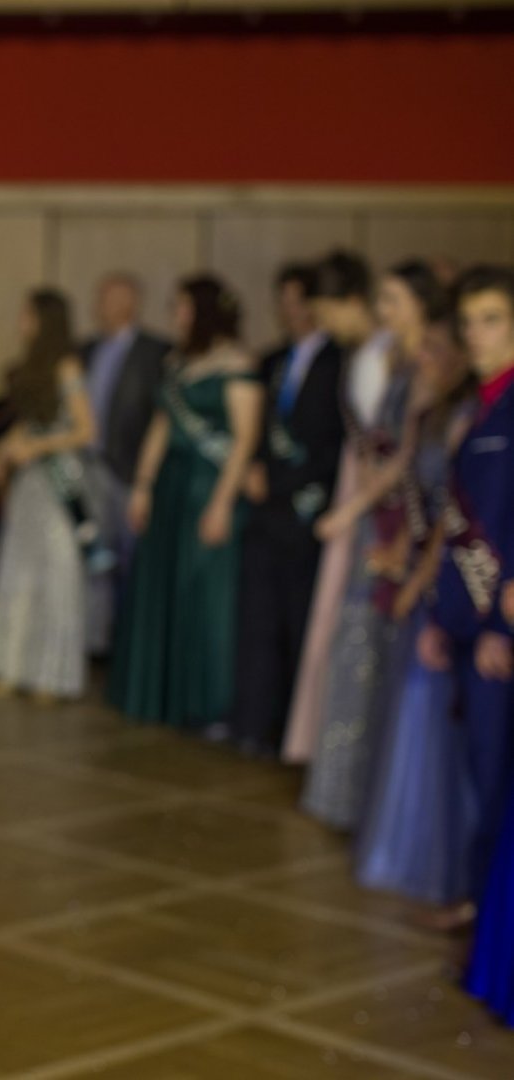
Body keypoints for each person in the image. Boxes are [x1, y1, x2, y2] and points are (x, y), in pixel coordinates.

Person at [355, 319, 480, 914]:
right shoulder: (428, 415)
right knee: (410, 705)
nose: (422, 358)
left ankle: (445, 861)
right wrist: (399, 550)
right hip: (426, 558)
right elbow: (418, 499)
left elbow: (455, 515)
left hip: (451, 575)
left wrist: (420, 578)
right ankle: (406, 847)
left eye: (434, 348)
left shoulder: (467, 417)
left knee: (432, 705)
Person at [299, 256, 427, 831]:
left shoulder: (415, 366)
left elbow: (404, 455)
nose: (383, 312)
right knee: (356, 641)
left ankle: (372, 793)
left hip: (398, 514)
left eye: (392, 301)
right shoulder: (387, 358)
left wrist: (353, 508)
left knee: (374, 640)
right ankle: (349, 789)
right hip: (376, 504)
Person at [109, 275, 262, 730]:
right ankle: (161, 695)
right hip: (171, 488)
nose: (175, 315)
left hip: (208, 488)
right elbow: (161, 427)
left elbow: (244, 441)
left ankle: (206, 705)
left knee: (204, 592)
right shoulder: (177, 361)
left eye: (182, 306)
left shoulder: (237, 363)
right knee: (164, 588)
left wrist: (221, 503)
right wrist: (142, 486)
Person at [283, 250, 398, 765]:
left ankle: (353, 756)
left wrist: (353, 509)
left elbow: (389, 446)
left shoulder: (381, 356)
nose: (322, 324)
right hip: (359, 485)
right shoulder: (362, 354)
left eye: (326, 312)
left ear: (352, 300)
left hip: (376, 497)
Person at [230, 263, 345, 756]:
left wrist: (286, 482)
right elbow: (252, 427)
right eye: (284, 301)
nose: (292, 310)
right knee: (258, 619)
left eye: (300, 301)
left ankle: (294, 731)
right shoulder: (272, 360)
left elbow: (338, 443)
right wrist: (254, 467)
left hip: (308, 508)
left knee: (301, 619)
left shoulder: (340, 361)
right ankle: (255, 723)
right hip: (264, 510)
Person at [0, 289, 96, 701]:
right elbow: (29, 424)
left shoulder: (67, 366)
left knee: (56, 572)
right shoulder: (32, 366)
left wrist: (36, 448)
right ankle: (11, 667)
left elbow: (85, 430)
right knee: (19, 570)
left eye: (28, 314)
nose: (21, 321)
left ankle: (51, 674)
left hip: (60, 482)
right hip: (30, 485)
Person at [458, 265, 514, 1023]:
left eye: (491, 318)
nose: (475, 334)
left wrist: (499, 627)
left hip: (496, 625)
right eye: (468, 320)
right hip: (471, 616)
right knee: (486, 777)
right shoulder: (479, 401)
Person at [77, 271, 172, 654]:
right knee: (94, 559)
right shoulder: (85, 349)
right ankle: (99, 642)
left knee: (132, 560)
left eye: (108, 297)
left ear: (130, 302)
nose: (99, 306)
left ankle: (131, 646)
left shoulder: (157, 352)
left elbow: (161, 416)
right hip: (88, 468)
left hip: (130, 471)